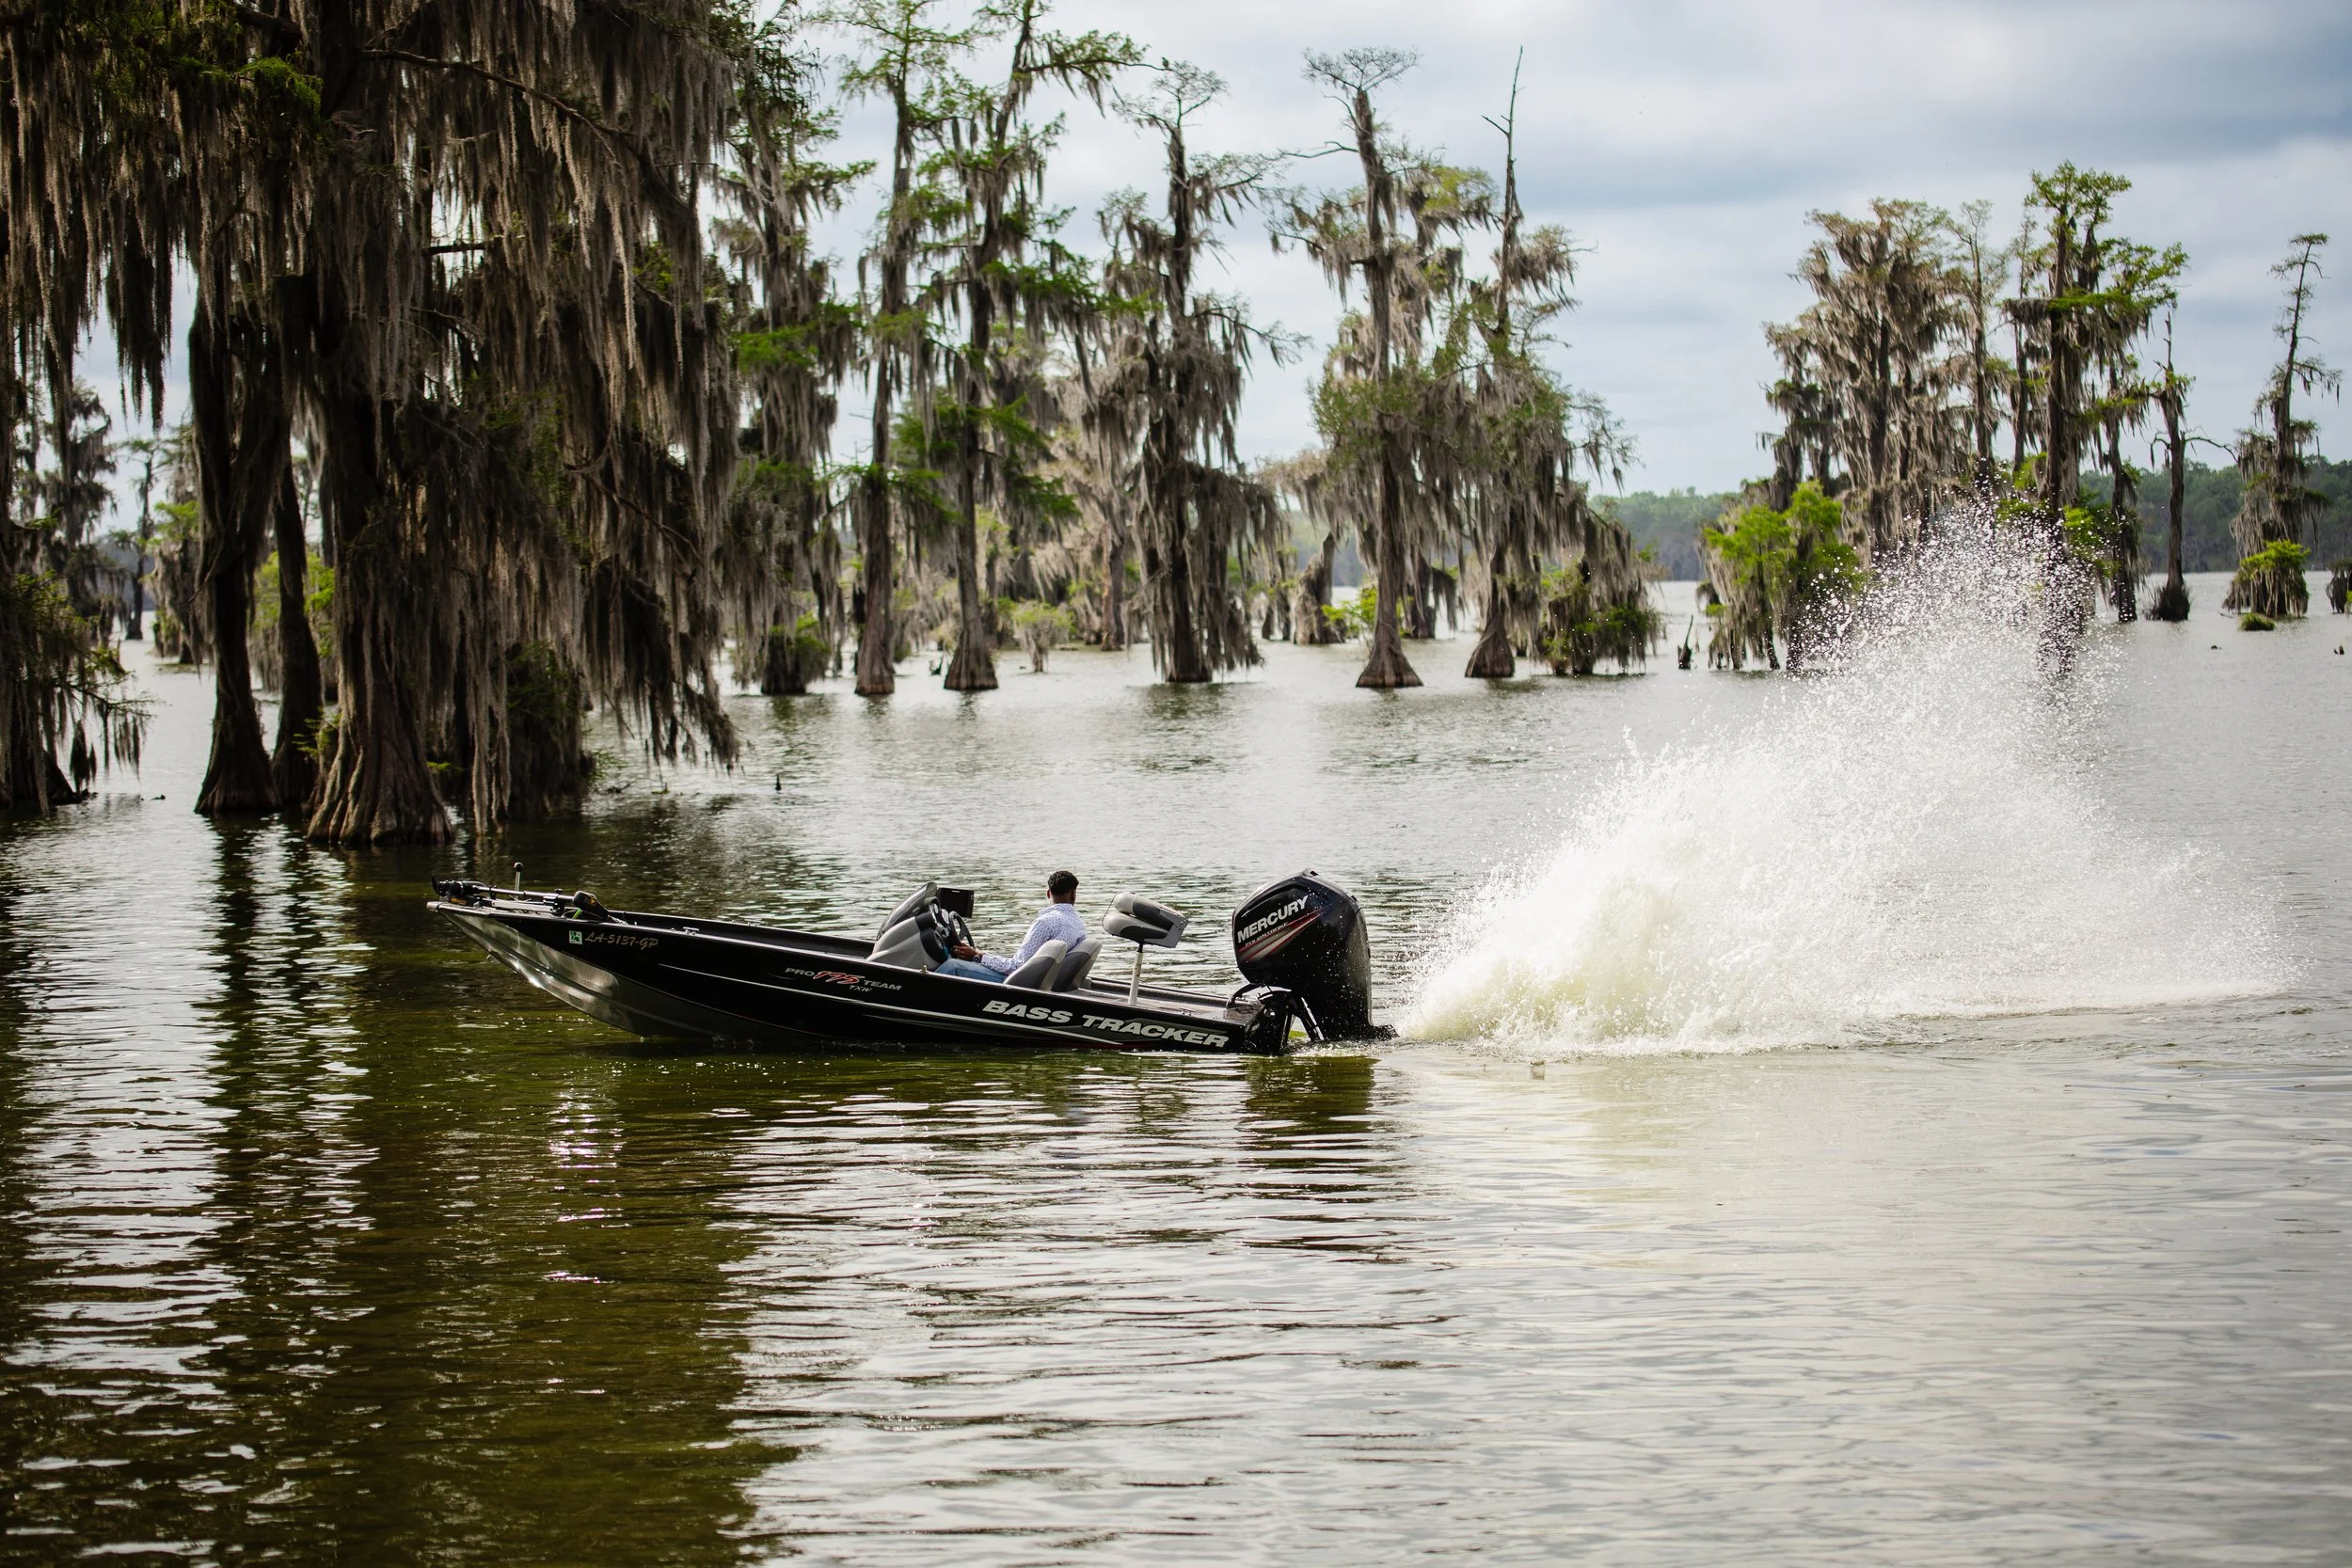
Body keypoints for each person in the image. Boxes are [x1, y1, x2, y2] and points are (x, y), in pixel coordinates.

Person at [935, 870, 1085, 983]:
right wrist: (978, 954)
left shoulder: (1045, 922)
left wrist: (978, 955)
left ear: (1048, 893)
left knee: (952, 966)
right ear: (1073, 894)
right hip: (1042, 980)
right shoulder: (1078, 924)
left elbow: (1016, 967)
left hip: (1020, 983)